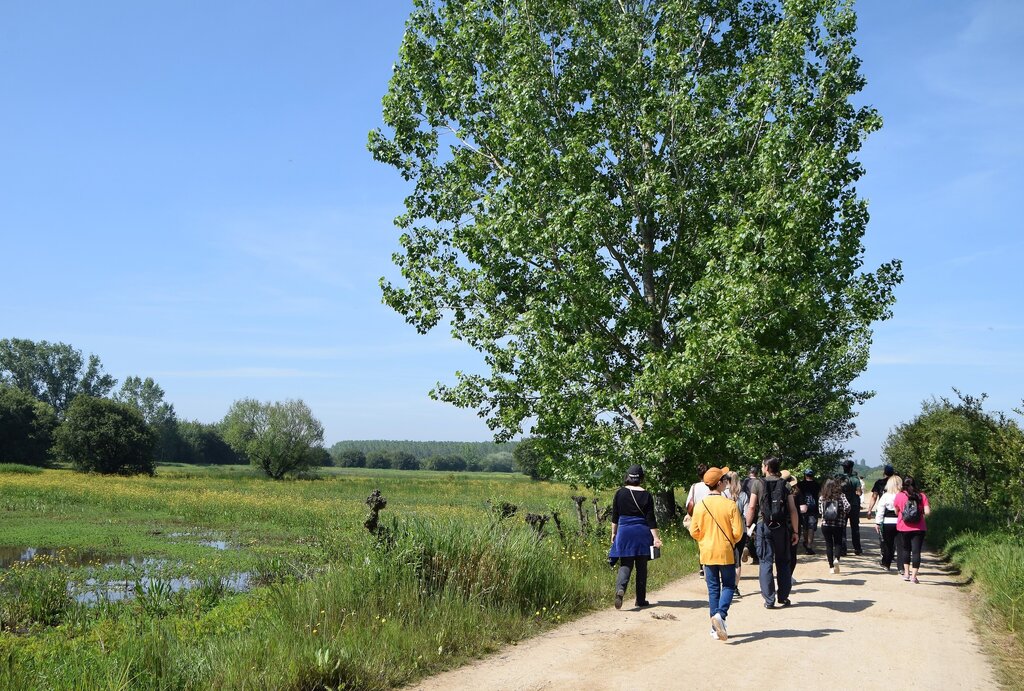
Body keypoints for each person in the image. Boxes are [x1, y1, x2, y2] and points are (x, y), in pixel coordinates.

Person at [689, 466, 744, 641]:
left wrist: (704, 540)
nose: (727, 482)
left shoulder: (700, 506)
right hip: (726, 551)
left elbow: (693, 531)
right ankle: (721, 615)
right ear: (719, 484)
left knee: (713, 589)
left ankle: (715, 629)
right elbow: (738, 532)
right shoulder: (730, 505)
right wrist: (731, 540)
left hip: (707, 551)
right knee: (728, 585)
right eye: (725, 480)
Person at [745, 456, 799, 608]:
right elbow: (793, 510)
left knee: (765, 562)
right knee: (783, 562)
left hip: (764, 526)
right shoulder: (785, 485)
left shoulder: (757, 483)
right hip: (781, 528)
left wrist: (748, 525)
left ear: (767, 468)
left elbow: (751, 507)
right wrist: (795, 531)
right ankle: (783, 597)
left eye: (763, 465)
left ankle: (769, 600)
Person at [609, 464, 663, 608]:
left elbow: (615, 517)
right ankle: (640, 599)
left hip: (625, 532)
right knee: (641, 566)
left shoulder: (620, 493)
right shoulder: (646, 495)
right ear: (641, 478)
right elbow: (651, 519)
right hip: (642, 533)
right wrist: (656, 538)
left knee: (626, 563)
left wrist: (613, 533)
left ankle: (620, 589)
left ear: (627, 477)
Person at [894, 475, 931, 583]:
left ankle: (906, 573)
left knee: (906, 550)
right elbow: (927, 512)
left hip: (903, 527)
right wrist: (920, 512)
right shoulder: (921, 496)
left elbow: (896, 511)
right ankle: (914, 576)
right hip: (919, 527)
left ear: (903, 485)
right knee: (916, 552)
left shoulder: (899, 496)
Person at [723, 470, 748, 597]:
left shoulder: (723, 495)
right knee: (737, 561)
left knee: (726, 559)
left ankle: (725, 585)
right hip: (740, 531)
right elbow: (746, 515)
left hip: (725, 532)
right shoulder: (743, 495)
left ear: (726, 481)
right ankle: (735, 587)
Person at [818, 477, 850, 574]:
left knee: (828, 545)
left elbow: (820, 511)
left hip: (826, 524)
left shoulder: (822, 497)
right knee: (838, 543)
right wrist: (843, 513)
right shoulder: (841, 496)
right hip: (838, 524)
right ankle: (837, 559)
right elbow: (848, 507)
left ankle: (831, 566)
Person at [873, 474, 903, 571]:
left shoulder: (886, 496)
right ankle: (901, 567)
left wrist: (878, 523)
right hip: (900, 522)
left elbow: (880, 510)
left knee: (888, 544)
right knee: (900, 545)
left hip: (888, 522)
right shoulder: (903, 495)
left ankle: (886, 563)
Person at [686, 464, 711, 576]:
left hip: (698, 516)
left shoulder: (694, 486)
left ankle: (702, 567)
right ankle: (711, 564)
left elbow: (689, 504)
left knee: (701, 541)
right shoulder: (711, 485)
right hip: (711, 516)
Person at [838, 459, 862, 556]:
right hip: (854, 506)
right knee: (855, 528)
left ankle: (843, 549)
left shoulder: (839, 478)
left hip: (842, 505)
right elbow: (859, 493)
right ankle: (857, 548)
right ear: (851, 468)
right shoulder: (856, 479)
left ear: (843, 468)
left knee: (842, 528)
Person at [796, 468, 821, 555]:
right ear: (813, 475)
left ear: (805, 475)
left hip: (802, 508)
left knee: (805, 527)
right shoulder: (817, 485)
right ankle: (809, 545)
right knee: (811, 527)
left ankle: (806, 542)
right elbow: (819, 496)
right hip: (813, 508)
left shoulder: (800, 484)